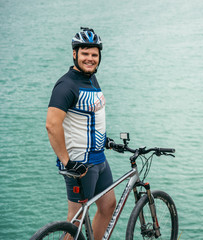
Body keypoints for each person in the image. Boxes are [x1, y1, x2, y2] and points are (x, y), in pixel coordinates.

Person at [45, 27, 116, 240]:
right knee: (75, 221)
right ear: (74, 54)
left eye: (94, 54)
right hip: (80, 163)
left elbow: (91, 115)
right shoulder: (66, 85)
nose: (90, 59)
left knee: (108, 205)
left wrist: (105, 140)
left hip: (98, 159)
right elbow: (52, 125)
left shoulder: (92, 79)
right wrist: (67, 162)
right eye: (85, 54)